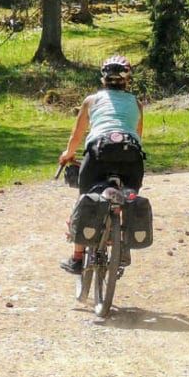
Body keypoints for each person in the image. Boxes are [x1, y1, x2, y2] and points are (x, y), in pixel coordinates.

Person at [59, 54, 145, 274]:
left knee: (84, 198)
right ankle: (124, 246)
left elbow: (77, 135)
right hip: (131, 157)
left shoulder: (91, 101)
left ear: (103, 78)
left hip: (98, 153)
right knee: (127, 198)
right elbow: (138, 135)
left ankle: (77, 258)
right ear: (128, 79)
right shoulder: (136, 103)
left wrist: (68, 154)